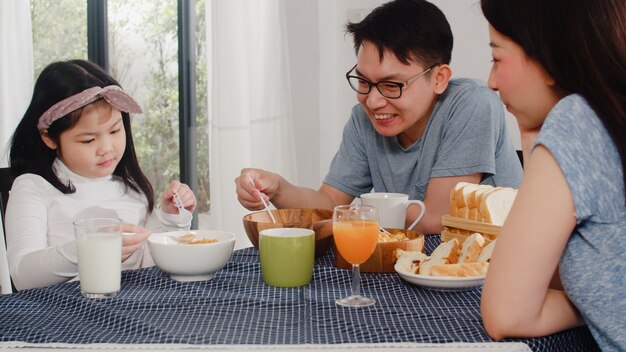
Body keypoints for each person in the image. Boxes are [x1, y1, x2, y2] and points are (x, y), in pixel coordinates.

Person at [236, 0, 522, 234]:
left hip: (485, 270)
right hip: (407, 262)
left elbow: (437, 218)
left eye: (391, 85)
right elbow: (328, 204)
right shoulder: (364, 120)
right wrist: (279, 189)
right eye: (363, 82)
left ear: (438, 78)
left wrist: (351, 215)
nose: (373, 101)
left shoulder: (472, 103)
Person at [479, 0, 626, 350]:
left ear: (548, 56)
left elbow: (507, 314)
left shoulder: (579, 122)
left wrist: (588, 304)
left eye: (497, 58)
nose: (491, 82)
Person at [5, 60, 197, 291]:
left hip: (129, 312)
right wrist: (91, 248)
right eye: (88, 140)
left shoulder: (131, 189)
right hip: (60, 317)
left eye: (115, 130)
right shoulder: (32, 187)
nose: (106, 148)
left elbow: (152, 269)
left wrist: (171, 219)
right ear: (49, 138)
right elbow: (23, 274)